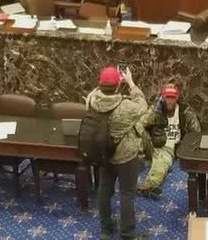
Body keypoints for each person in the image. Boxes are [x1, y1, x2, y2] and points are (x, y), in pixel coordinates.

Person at [86, 65, 149, 240]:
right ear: (117, 86)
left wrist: (110, 81)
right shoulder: (126, 107)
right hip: (126, 156)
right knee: (127, 194)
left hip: (103, 153)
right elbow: (143, 105)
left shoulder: (91, 100)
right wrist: (130, 82)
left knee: (104, 191)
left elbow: (96, 91)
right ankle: (127, 233)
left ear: (100, 84)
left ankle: (106, 229)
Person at [137, 83, 201, 199]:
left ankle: (149, 186)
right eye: (167, 97)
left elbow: (196, 133)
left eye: (173, 98)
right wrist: (156, 111)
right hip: (152, 144)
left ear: (177, 98)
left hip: (169, 148)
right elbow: (141, 123)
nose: (170, 101)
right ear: (162, 97)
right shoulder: (156, 109)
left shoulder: (185, 111)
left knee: (161, 162)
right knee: (135, 132)